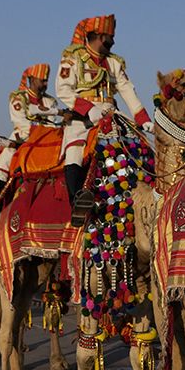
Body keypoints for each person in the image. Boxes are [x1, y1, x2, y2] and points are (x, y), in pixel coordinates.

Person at [55, 15, 149, 221]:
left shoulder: (113, 63)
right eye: (109, 37)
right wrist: (88, 109)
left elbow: (127, 90)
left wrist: (143, 120)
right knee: (74, 152)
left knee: (139, 146)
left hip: (109, 113)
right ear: (97, 36)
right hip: (82, 119)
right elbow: (62, 89)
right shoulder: (73, 57)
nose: (113, 42)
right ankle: (77, 203)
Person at [0, 63, 61, 212]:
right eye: (43, 80)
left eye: (46, 80)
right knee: (3, 165)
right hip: (21, 138)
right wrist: (38, 131)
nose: (46, 84)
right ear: (33, 80)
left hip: (46, 139)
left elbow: (53, 124)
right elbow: (22, 124)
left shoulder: (50, 101)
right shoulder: (18, 98)